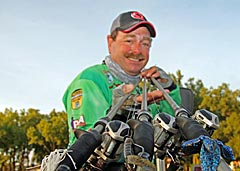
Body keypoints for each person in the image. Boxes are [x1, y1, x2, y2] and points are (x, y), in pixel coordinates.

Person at [62, 10, 182, 170]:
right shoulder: (90, 79)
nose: (138, 50)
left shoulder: (144, 88)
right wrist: (122, 110)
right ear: (110, 42)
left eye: (145, 43)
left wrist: (170, 88)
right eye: (129, 40)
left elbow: (172, 125)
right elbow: (93, 150)